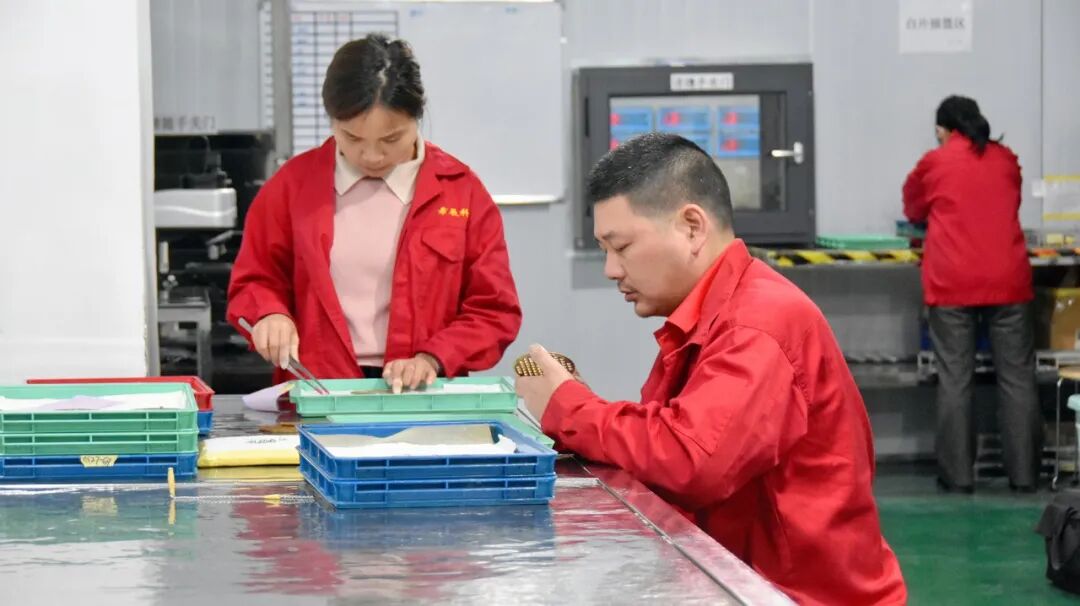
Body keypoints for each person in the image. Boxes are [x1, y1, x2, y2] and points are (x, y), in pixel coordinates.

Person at [515, 133, 907, 605]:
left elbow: (692, 461)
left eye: (622, 247)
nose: (611, 270)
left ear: (692, 227)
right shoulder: (707, 319)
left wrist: (569, 407)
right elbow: (668, 438)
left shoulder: (759, 323)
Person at [227, 34, 521, 392]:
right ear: (332, 120)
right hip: (318, 394)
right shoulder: (291, 187)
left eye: (391, 139)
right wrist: (270, 314)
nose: (371, 156)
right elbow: (256, 279)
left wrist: (432, 358)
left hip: (422, 398)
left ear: (417, 117)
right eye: (352, 138)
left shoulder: (462, 191)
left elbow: (493, 310)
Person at [903, 95, 1039, 493]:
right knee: (1018, 378)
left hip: (953, 283)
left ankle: (958, 477)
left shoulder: (935, 162)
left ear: (943, 130)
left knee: (955, 379)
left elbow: (913, 208)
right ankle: (1025, 476)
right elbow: (1011, 200)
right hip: (1008, 280)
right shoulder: (1006, 159)